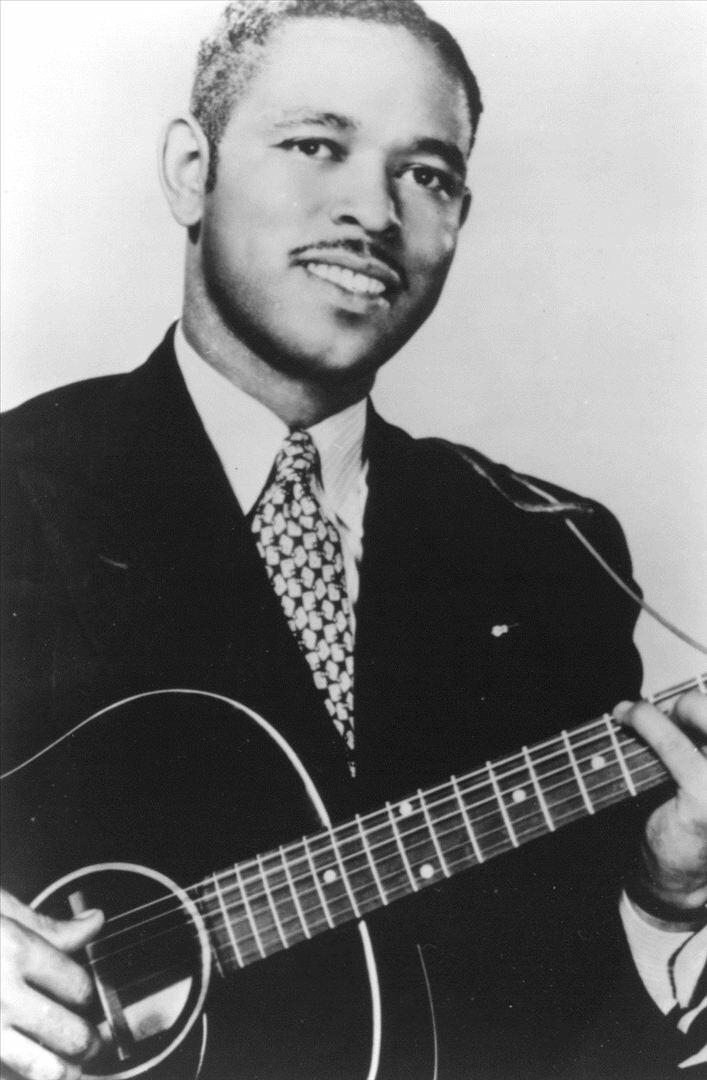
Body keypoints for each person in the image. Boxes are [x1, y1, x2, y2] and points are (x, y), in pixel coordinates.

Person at [1, 2, 705, 1078]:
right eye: (314, 145)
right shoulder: (17, 491)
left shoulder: (549, 552)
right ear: (190, 170)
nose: (373, 211)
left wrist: (661, 902)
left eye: (425, 174)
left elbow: (564, 1032)